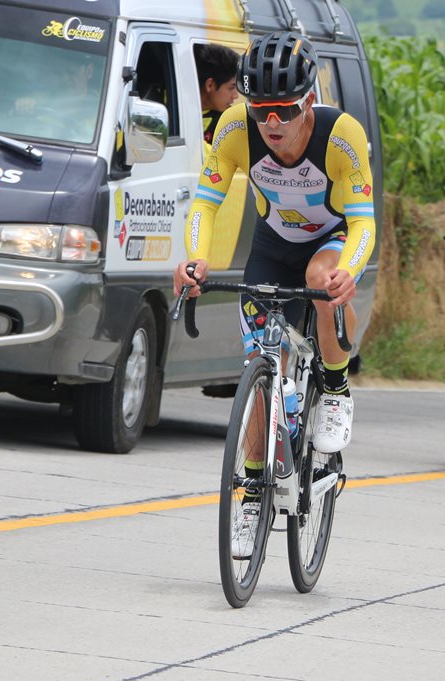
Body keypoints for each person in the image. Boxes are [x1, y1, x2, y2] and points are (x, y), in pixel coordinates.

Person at [174, 31, 375, 557]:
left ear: (308, 99)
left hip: (328, 239)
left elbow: (363, 224)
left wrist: (348, 270)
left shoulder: (341, 135)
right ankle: (251, 495)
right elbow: (205, 202)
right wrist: (197, 257)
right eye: (262, 110)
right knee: (261, 369)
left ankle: (334, 389)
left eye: (284, 110)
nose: (273, 124)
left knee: (321, 282)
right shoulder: (236, 128)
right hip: (272, 242)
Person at [194, 43, 241, 147]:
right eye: (231, 87)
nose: (236, 96)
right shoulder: (170, 103)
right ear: (210, 85)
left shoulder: (228, 123)